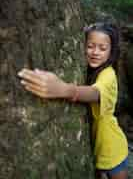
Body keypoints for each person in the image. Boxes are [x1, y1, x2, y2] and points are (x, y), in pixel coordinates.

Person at [18, 22, 128, 179]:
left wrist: (63, 89)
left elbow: (95, 93)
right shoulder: (89, 70)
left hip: (112, 148)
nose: (95, 52)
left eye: (102, 48)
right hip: (97, 148)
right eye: (90, 46)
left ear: (111, 52)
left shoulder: (108, 74)